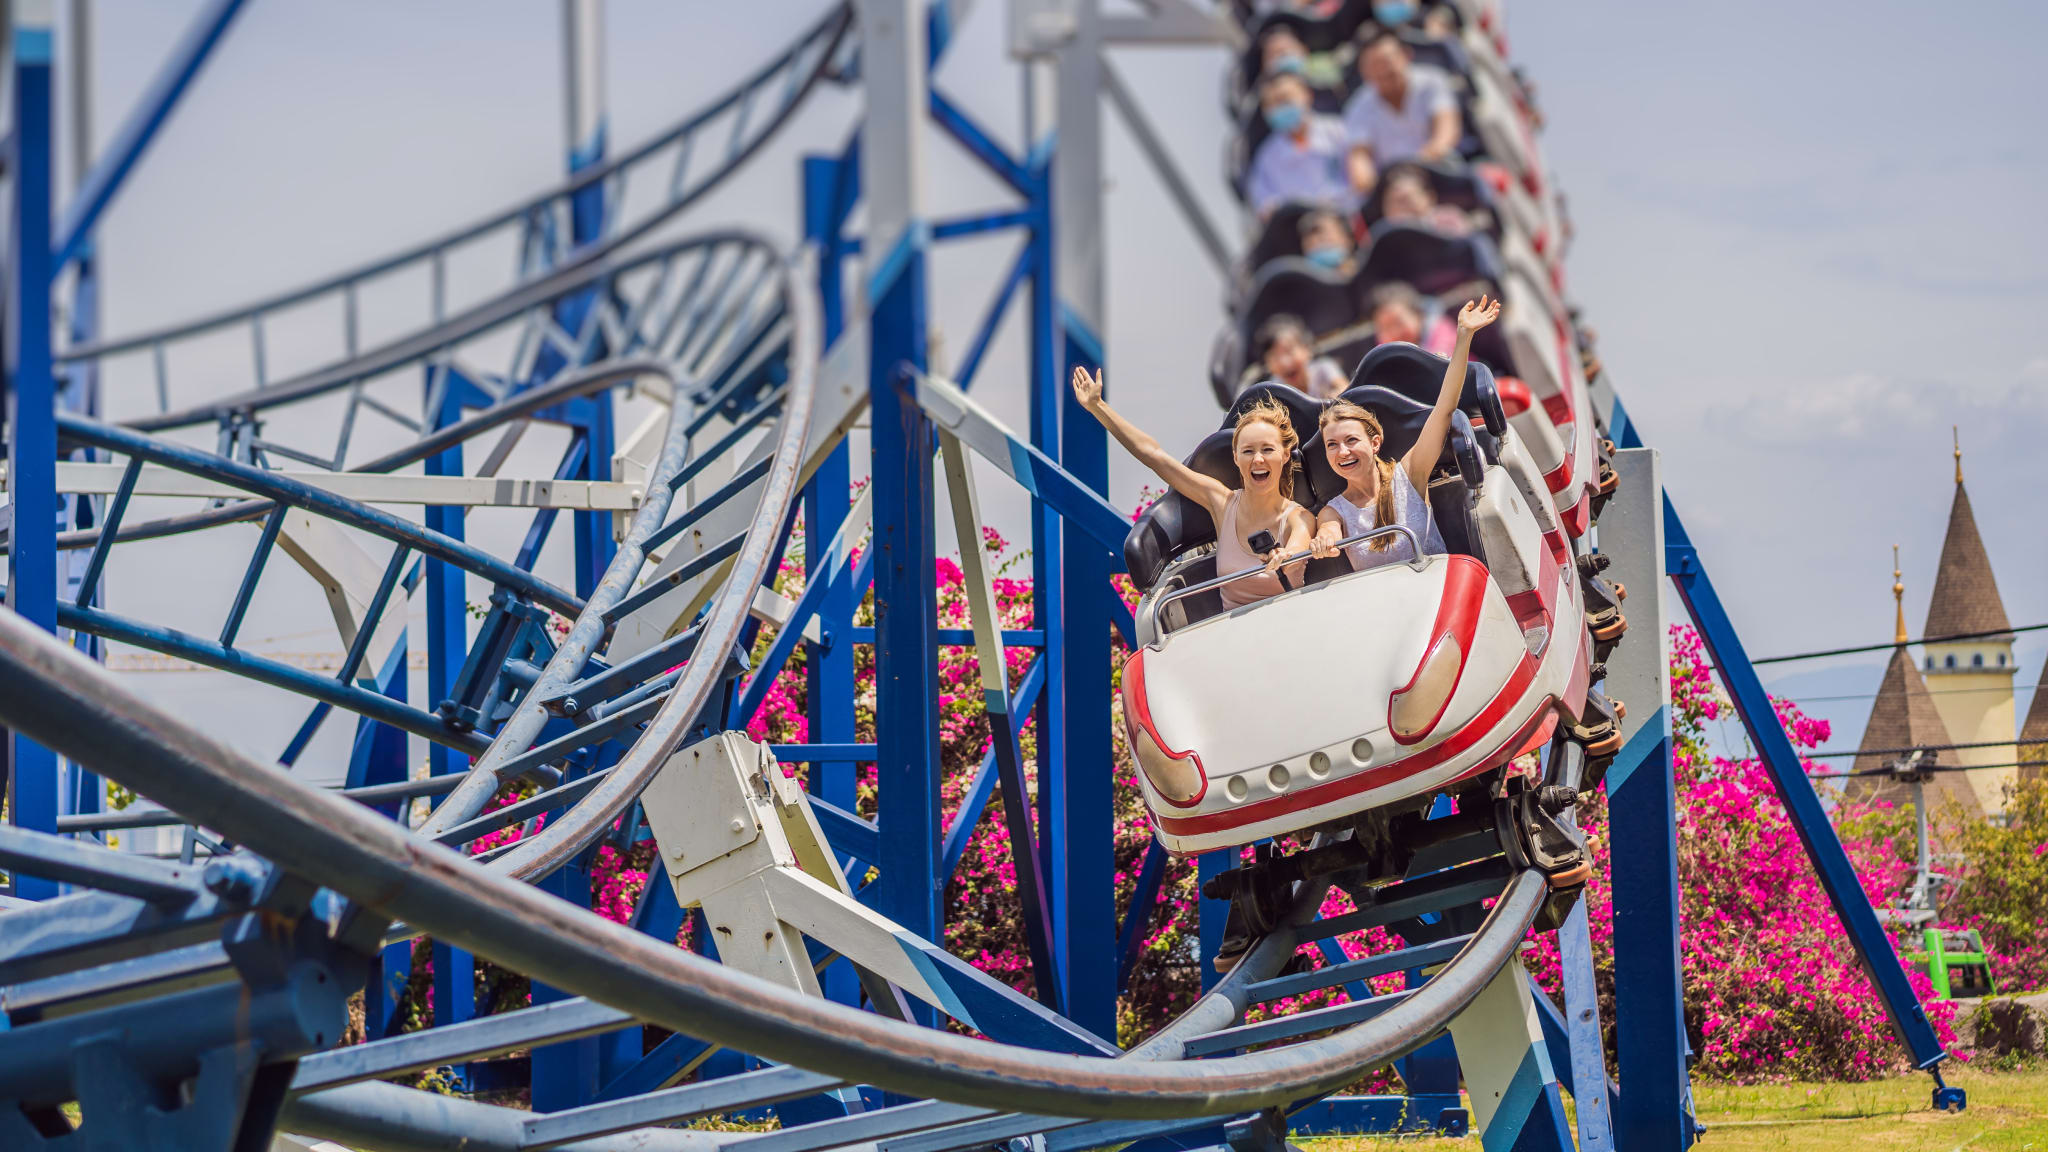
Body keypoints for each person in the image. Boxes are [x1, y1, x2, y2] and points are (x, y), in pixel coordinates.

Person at [1072, 367, 1312, 607]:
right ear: (1236, 458)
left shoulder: (1299, 517)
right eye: (1248, 451)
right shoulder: (1222, 502)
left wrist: (1285, 557)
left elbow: (1296, 549)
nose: (1257, 459)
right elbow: (1154, 456)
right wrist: (1097, 407)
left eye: (1267, 449)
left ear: (1285, 455)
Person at [1310, 295, 1499, 571]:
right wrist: (1324, 540)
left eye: (1351, 440)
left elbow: (1444, 409)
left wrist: (1464, 337)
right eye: (1332, 445)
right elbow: (1328, 531)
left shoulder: (1409, 474)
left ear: (1375, 443)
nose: (1343, 452)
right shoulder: (1333, 510)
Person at [1342, 28, 1461, 198]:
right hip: (1392, 190)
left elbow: (1446, 131)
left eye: (1387, 61)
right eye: (1374, 65)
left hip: (1439, 170)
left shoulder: (1432, 80)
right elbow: (1359, 161)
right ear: (1364, 71)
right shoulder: (1357, 107)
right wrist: (1379, 186)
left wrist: (1419, 165)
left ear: (1405, 55)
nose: (1383, 70)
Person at [1246, 72, 1355, 217]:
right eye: (1270, 104)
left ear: (1306, 95)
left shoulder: (1339, 131)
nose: (1279, 108)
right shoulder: (1266, 157)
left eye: (1284, 100)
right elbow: (1265, 207)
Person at [1255, 314, 1348, 400]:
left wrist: (1334, 396)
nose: (1284, 362)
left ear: (1307, 349)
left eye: (1289, 351)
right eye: (1275, 357)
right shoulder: (1273, 389)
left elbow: (1345, 389)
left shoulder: (1324, 369)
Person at [1377, 163, 1472, 235]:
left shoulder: (1448, 219)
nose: (1399, 208)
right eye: (1391, 202)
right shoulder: (1382, 234)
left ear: (1429, 197)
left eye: (1405, 200)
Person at [1368, 282, 1456, 356]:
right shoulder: (1382, 352)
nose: (1395, 333)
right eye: (1385, 328)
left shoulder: (1441, 331)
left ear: (1418, 315)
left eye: (1399, 323)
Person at [1258, 24, 1343, 90]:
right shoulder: (1266, 92)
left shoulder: (1323, 63)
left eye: (1284, 51)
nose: (1280, 57)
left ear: (1303, 49)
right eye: (1272, 55)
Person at [1296, 207, 1358, 274]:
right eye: (1310, 244)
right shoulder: (1295, 278)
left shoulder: (1364, 274)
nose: (1315, 240)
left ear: (1348, 240)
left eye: (1326, 240)